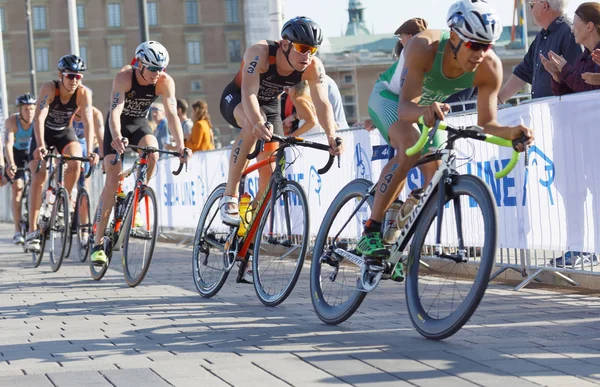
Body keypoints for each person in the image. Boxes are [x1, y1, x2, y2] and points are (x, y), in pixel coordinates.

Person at [355, 0, 534, 263]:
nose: (480, 54)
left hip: (429, 108)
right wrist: (423, 112)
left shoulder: (490, 67)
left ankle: (396, 240)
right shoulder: (423, 47)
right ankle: (371, 229)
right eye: (474, 45)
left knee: (435, 176)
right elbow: (406, 108)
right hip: (391, 98)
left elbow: (487, 122)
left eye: (487, 46)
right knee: (410, 146)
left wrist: (512, 133)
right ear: (454, 37)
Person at [218, 16, 343, 226]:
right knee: (250, 125)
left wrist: (332, 134)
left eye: (313, 50)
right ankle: (229, 196)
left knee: (268, 175)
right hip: (239, 98)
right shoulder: (260, 53)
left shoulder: (312, 66)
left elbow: (322, 103)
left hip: (269, 107)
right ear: (285, 44)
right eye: (303, 48)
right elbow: (249, 93)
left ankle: (247, 232)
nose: (307, 55)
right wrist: (257, 122)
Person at [91, 40, 190, 265]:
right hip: (117, 126)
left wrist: (181, 145)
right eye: (153, 69)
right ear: (141, 64)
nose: (157, 74)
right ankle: (97, 245)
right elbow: (115, 111)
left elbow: (172, 115)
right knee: (112, 181)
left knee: (152, 151)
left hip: (139, 124)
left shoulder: (165, 81)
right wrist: (116, 136)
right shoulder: (124, 77)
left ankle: (136, 197)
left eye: (161, 69)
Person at [25, 55, 98, 252]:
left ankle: (61, 201)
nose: (74, 80)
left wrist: (90, 150)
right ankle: (32, 231)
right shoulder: (49, 88)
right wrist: (40, 145)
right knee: (38, 175)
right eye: (70, 76)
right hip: (44, 133)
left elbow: (88, 122)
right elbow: (39, 118)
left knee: (75, 161)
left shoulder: (82, 93)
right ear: (61, 75)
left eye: (78, 76)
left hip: (64, 132)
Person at [498, 0, 582, 103]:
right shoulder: (541, 36)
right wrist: (498, 101)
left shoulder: (569, 33)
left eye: (532, 5)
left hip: (562, 111)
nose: (530, 9)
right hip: (544, 112)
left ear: (545, 6)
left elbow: (578, 78)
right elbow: (522, 73)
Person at [541, 2, 600, 95]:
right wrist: (557, 77)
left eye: (575, 24)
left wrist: (564, 68)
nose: (572, 30)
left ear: (589, 27)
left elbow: (588, 89)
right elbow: (570, 93)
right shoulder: (582, 59)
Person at [4, 93, 36, 244]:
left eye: (32, 109)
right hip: (16, 155)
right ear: (20, 110)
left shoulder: (37, 120)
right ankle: (17, 229)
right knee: (17, 187)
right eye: (26, 109)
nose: (29, 112)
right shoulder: (12, 121)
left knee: (39, 182)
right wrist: (10, 164)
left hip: (31, 153)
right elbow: (8, 144)